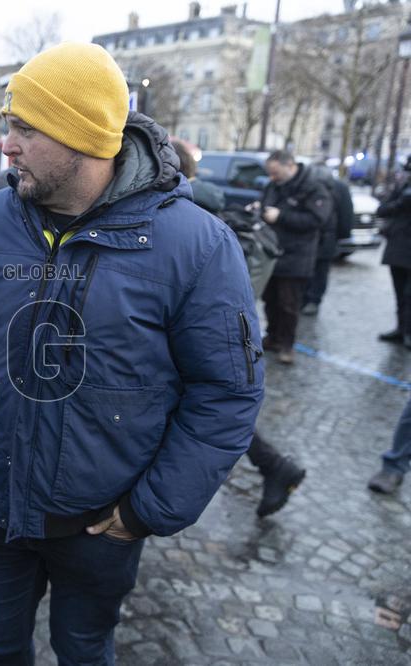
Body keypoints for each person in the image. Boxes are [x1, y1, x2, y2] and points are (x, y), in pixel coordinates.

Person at [0, 42, 263, 665]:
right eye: (8, 125)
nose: (6, 145)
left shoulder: (196, 245)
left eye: (25, 128)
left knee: (84, 651)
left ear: (81, 137)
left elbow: (226, 393)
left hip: (100, 528)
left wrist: (146, 510)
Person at [173, 142, 305, 518]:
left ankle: (275, 466)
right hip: (211, 322)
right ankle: (274, 466)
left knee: (206, 405)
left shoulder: (186, 207)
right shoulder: (208, 200)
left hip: (193, 324)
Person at [253, 150, 333, 364]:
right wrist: (258, 209)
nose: (273, 177)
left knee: (289, 304)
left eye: (276, 173)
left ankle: (287, 345)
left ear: (290, 166)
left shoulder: (314, 188)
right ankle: (273, 337)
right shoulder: (274, 185)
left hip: (297, 255)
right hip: (271, 252)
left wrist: (281, 216)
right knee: (270, 299)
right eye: (270, 173)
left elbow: (318, 219)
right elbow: (265, 204)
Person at [302, 166, 354, 316]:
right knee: (319, 271)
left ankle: (310, 299)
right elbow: (346, 215)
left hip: (322, 237)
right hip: (325, 237)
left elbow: (345, 214)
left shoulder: (332, 188)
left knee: (317, 270)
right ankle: (312, 299)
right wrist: (342, 236)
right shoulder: (339, 187)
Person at [377, 156, 411, 348]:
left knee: (409, 294)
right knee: (400, 292)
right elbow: (382, 209)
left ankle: (408, 331)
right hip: (398, 248)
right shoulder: (402, 189)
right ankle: (401, 328)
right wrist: (401, 203)